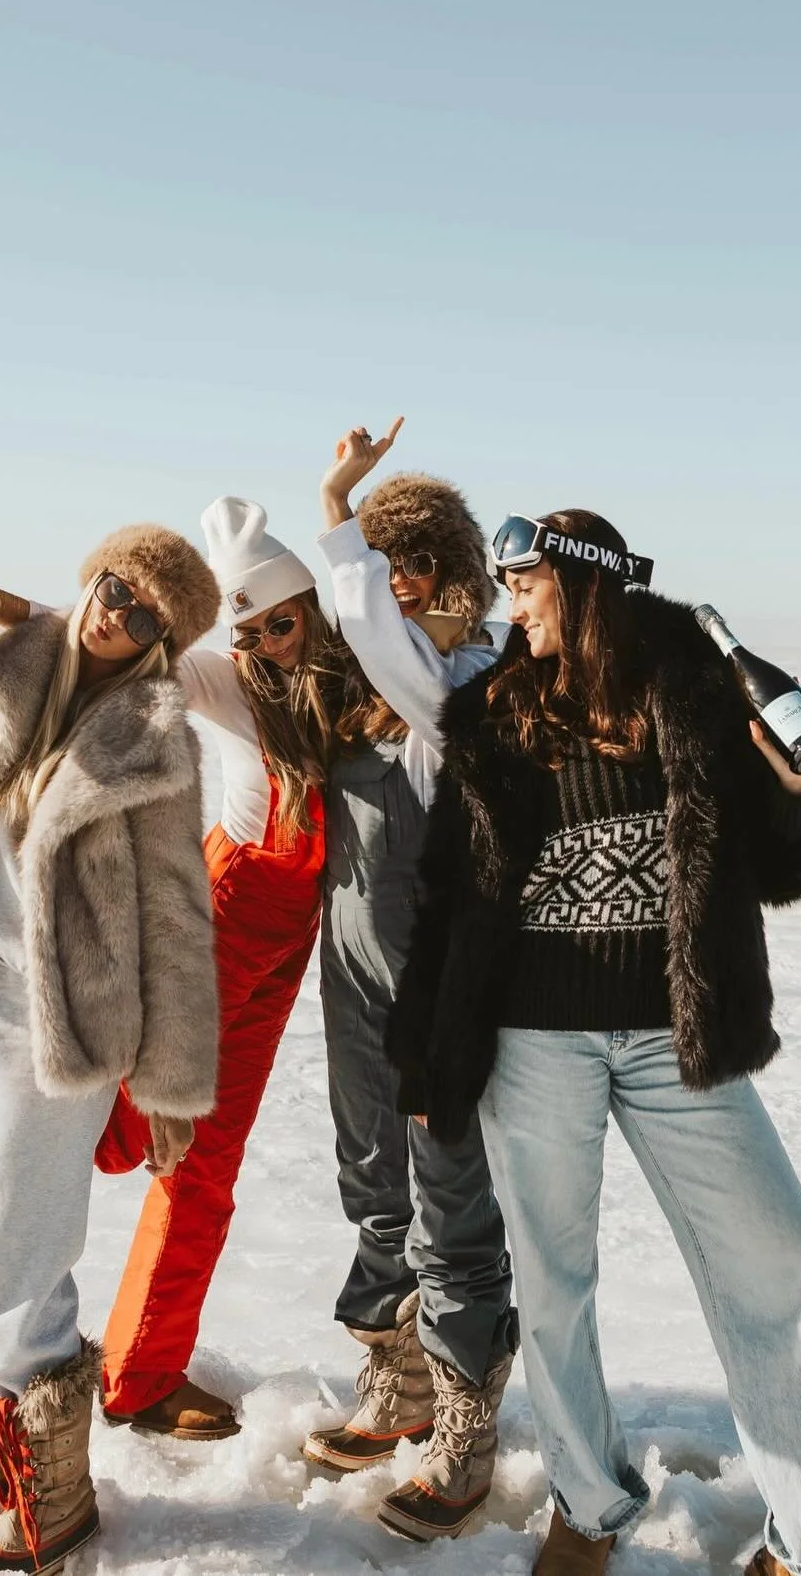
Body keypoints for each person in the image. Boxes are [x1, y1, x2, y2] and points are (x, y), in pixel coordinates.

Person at [386, 509, 801, 1576]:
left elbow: (782, 869)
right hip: (531, 1043)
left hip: (674, 1036)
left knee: (780, 1262)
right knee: (555, 1281)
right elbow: (449, 894)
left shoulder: (695, 688)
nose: (510, 602)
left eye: (526, 581)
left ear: (583, 579)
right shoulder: (490, 714)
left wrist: (799, 792)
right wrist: (429, 1051)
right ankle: (588, 1505)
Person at [0, 527, 220, 1576]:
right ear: (91, 577)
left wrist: (169, 1083)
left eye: (147, 612)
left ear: (163, 638)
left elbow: (177, 917)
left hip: (66, 1029)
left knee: (7, 1277)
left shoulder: (156, 734)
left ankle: (54, 1500)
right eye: (116, 588)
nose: (119, 613)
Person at [302, 420, 519, 1543]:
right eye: (384, 560)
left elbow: (384, 639)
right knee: (372, 1169)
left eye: (416, 561)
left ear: (458, 567)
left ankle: (468, 1413)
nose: (396, 582)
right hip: (355, 971)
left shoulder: (469, 675)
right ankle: (400, 1377)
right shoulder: (366, 688)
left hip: (440, 980)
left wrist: (336, 502)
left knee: (449, 1191)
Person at [91, 498, 349, 1438]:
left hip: (289, 940)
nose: (266, 644)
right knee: (109, 1126)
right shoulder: (223, 675)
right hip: (224, 907)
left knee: (202, 1159)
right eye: (247, 629)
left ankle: (143, 1372)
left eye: (281, 621)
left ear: (312, 607)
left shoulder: (356, 673)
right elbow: (108, 654)